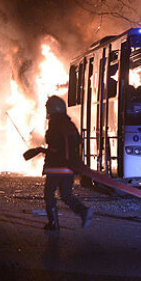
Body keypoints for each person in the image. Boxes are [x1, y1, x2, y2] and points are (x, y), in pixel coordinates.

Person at [41, 95, 93, 231]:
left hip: (56, 167)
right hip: (69, 166)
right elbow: (77, 141)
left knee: (49, 194)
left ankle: (53, 223)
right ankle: (83, 211)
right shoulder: (69, 123)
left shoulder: (55, 123)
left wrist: (46, 150)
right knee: (66, 194)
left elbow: (53, 143)